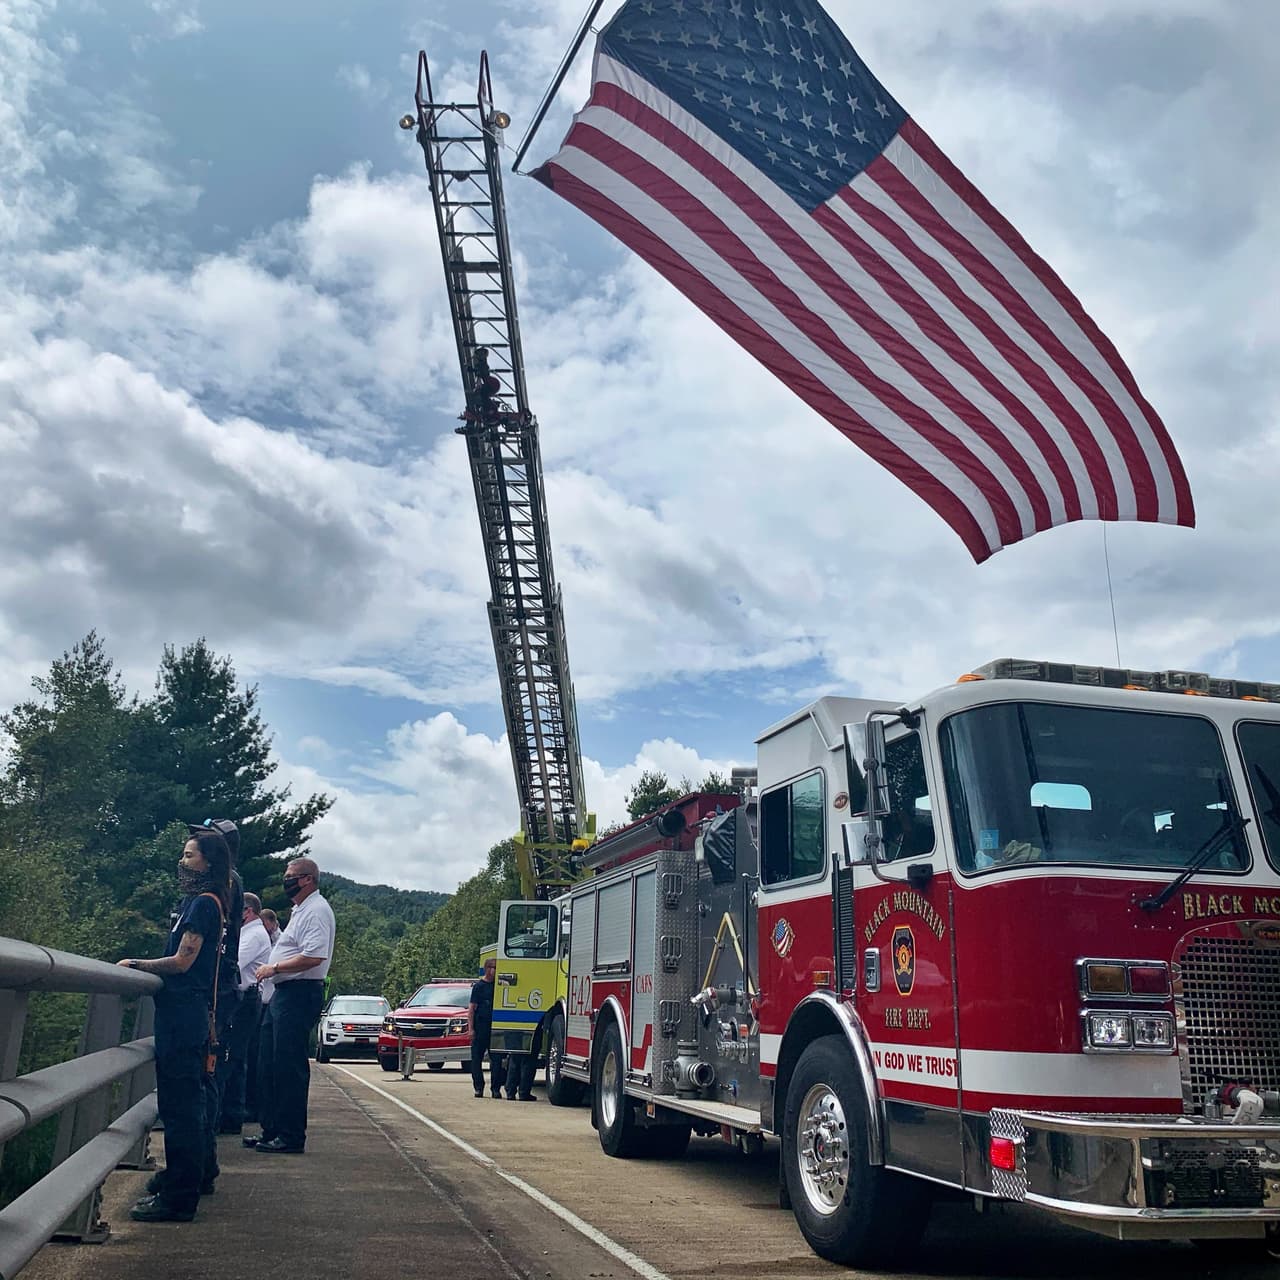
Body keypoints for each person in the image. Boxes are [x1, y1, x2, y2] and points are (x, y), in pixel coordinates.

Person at [117, 827, 231, 1222]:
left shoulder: (202, 904)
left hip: (183, 1018)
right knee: (191, 1103)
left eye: (188, 855)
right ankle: (188, 1179)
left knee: (180, 1108)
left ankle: (179, 1198)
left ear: (208, 862)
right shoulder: (209, 903)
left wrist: (136, 965)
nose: (182, 862)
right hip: (190, 1016)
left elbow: (183, 962)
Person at [243, 857, 335, 1154]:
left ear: (307, 879)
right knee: (268, 1063)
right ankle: (272, 1129)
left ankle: (291, 1135)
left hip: (298, 992)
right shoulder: (300, 910)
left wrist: (275, 967)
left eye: (290, 876)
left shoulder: (316, 911)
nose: (286, 880)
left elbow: (314, 956)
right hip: (283, 994)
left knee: (288, 1066)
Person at [220, 891, 271, 1133]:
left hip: (245, 999)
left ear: (247, 911)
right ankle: (231, 1115)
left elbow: (233, 964)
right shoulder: (253, 933)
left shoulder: (253, 936)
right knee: (236, 1058)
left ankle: (229, 1115)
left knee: (232, 1058)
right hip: (247, 999)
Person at [467, 958, 505, 1099]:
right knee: (476, 1060)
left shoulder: (499, 986)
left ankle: (496, 1089)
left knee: (496, 1061)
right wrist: (471, 1029)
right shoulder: (478, 987)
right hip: (480, 1027)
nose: (495, 970)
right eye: (493, 967)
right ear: (487, 968)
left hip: (494, 1028)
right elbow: (471, 1009)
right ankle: (478, 1087)